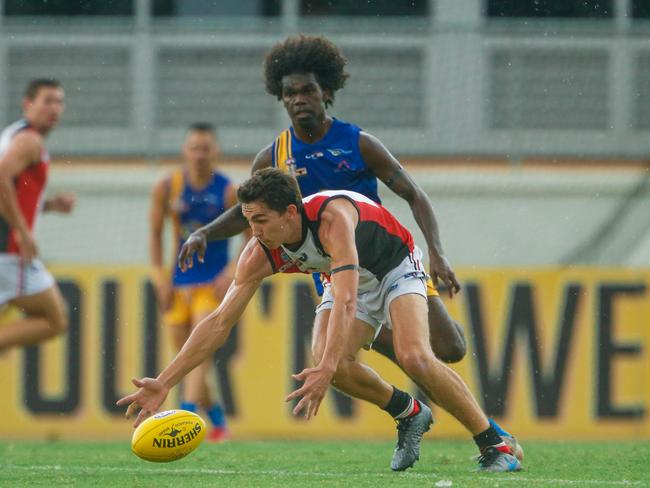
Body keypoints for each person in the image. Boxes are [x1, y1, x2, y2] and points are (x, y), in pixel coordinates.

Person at [177, 34, 522, 459]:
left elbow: (412, 193)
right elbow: (248, 211)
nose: (298, 100)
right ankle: (462, 426)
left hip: (385, 255)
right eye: (289, 94)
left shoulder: (357, 143)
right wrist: (203, 233)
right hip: (335, 268)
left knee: (449, 349)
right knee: (368, 357)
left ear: (327, 92)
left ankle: (430, 377)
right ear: (280, 99)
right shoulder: (273, 156)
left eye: (307, 90)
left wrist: (438, 252)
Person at [118, 169, 522, 473]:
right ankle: (408, 412)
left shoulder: (333, 221)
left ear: (291, 213)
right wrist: (165, 380)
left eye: (260, 221)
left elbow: (346, 302)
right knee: (329, 363)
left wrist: (327, 368)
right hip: (346, 277)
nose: (253, 232)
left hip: (394, 264)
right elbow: (220, 322)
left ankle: (495, 444)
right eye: (249, 221)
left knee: (414, 356)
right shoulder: (261, 251)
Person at [149, 122, 241, 442]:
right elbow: (155, 234)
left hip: (211, 286)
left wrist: (231, 271)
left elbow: (251, 234)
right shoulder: (169, 187)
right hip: (178, 285)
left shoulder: (228, 190)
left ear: (216, 152)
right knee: (186, 361)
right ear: (184, 151)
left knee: (195, 353)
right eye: (194, 148)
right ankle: (217, 421)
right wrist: (159, 277)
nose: (200, 154)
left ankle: (184, 418)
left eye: (206, 148)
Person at [0, 78, 74, 354]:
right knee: (54, 320)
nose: (54, 108)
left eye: (59, 102)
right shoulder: (29, 140)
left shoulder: (14, 134)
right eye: (47, 101)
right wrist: (21, 230)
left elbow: (12, 193)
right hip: (9, 252)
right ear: (28, 104)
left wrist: (51, 205)